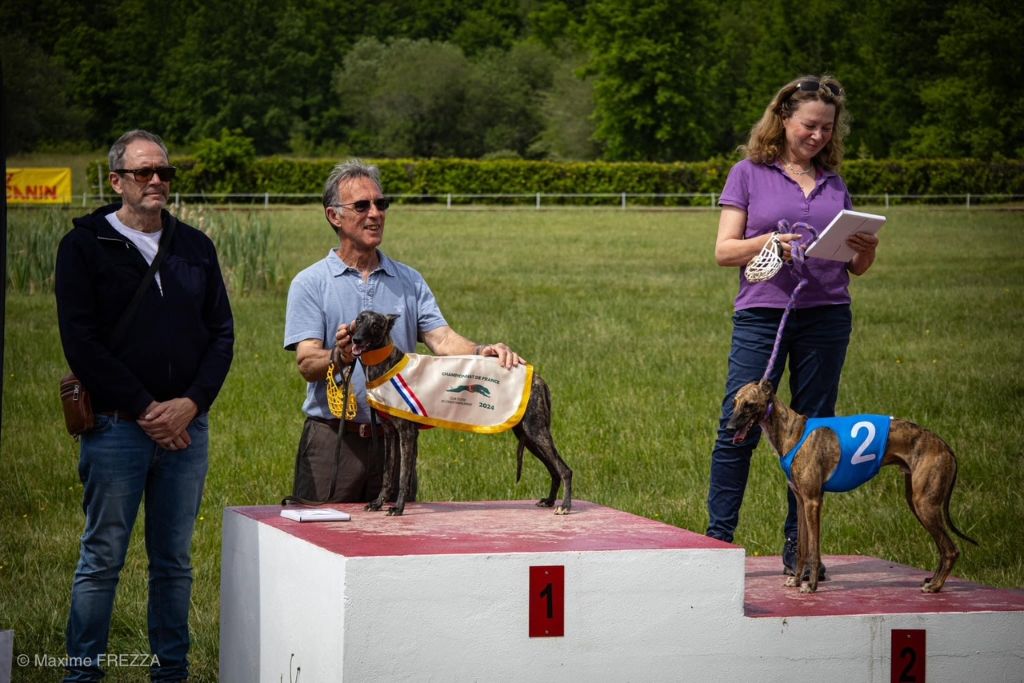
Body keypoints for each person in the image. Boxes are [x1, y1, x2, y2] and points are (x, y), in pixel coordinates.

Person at [55, 129, 234, 681]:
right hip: (115, 429)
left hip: (187, 429)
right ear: (116, 181)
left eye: (164, 172)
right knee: (102, 559)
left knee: (174, 564)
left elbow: (221, 334)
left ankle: (170, 672)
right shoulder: (83, 246)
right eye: (143, 173)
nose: (157, 181)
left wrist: (190, 403)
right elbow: (81, 342)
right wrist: (146, 408)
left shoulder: (195, 246)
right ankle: (83, 674)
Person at [705, 76, 879, 577]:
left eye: (827, 128)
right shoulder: (748, 173)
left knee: (815, 437)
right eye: (810, 125)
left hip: (827, 316)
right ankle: (717, 544)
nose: (819, 136)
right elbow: (723, 250)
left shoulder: (835, 182)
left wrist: (866, 252)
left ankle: (799, 553)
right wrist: (769, 243)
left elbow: (853, 266)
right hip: (762, 315)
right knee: (737, 427)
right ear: (783, 119)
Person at [284, 159, 523, 503]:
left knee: (394, 550)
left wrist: (481, 352)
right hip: (333, 441)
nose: (375, 213)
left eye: (381, 204)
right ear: (334, 216)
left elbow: (441, 338)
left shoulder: (409, 280)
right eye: (362, 205)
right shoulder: (310, 283)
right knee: (321, 546)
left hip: (395, 438)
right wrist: (339, 355)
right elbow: (307, 363)